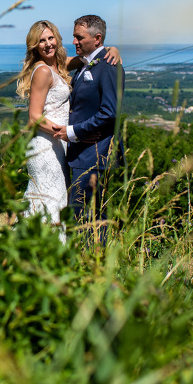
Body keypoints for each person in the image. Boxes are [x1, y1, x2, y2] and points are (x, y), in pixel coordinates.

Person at [17, 20, 120, 243]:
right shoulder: (43, 71)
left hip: (60, 144)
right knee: (51, 197)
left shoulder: (60, 65)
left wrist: (112, 50)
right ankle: (46, 247)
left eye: (50, 38)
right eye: (41, 41)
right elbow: (34, 117)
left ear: (57, 38)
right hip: (46, 145)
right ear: (34, 46)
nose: (47, 44)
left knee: (57, 197)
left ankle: (42, 245)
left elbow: (91, 57)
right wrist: (65, 132)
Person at [52, 14, 125, 244]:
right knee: (82, 217)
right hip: (83, 155)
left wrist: (72, 132)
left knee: (90, 219)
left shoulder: (109, 65)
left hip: (96, 154)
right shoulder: (86, 63)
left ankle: (93, 268)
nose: (74, 42)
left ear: (97, 38)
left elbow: (109, 113)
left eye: (78, 37)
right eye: (74, 36)